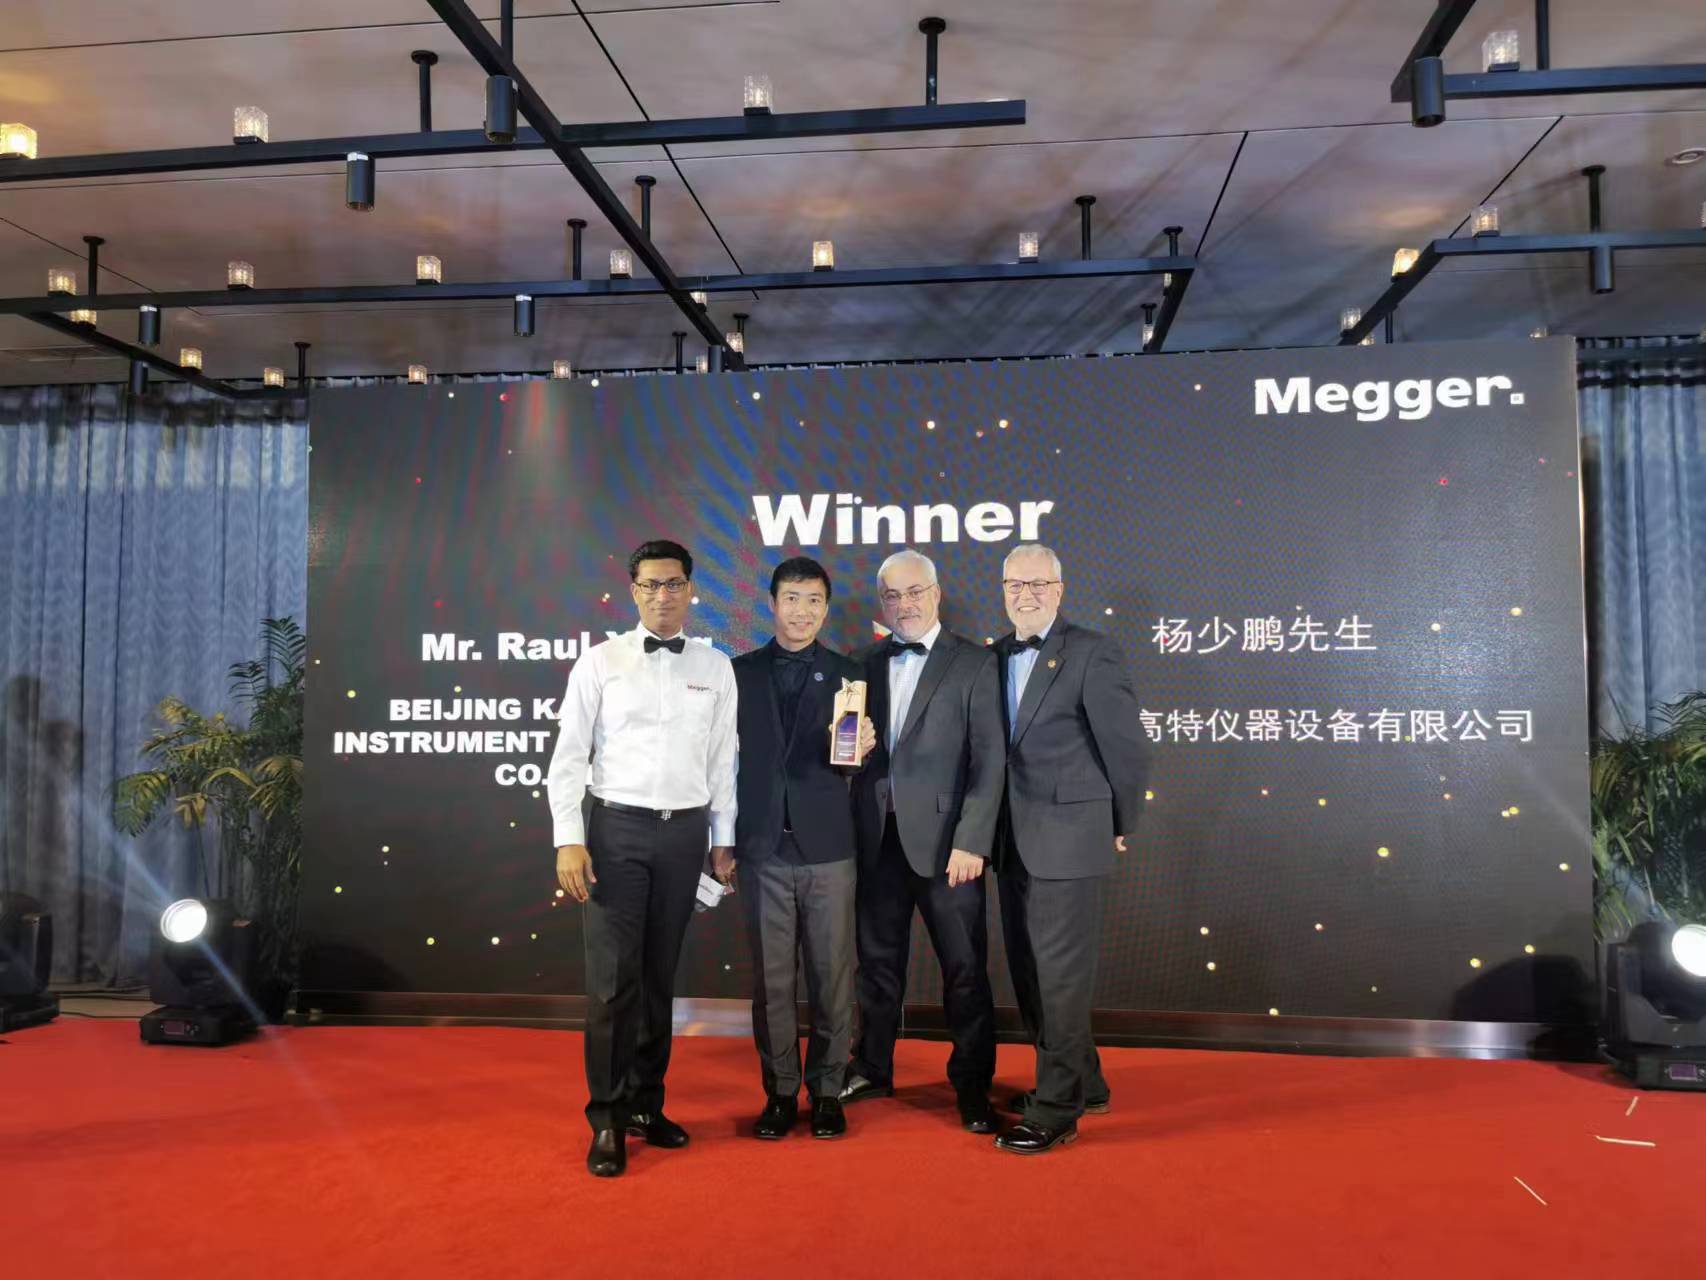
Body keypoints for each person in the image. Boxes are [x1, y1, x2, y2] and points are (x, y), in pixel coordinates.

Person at [546, 538, 737, 1178]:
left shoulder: (715, 667)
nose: (663, 595)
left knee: (659, 979)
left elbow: (723, 761)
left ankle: (646, 1106)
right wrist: (568, 837)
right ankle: (606, 1118)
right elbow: (569, 756)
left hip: (685, 835)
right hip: (616, 833)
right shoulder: (599, 662)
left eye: (674, 583)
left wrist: (722, 839)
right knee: (611, 984)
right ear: (633, 591)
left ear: (691, 591)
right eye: (651, 584)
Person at [988, 543, 1147, 1155]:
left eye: (1038, 584)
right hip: (1012, 839)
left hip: (1071, 838)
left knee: (1059, 978)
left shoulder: (1091, 650)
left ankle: (1056, 1107)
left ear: (1059, 590)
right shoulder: (993, 656)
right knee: (1030, 971)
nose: (1025, 595)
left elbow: (1126, 748)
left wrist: (1119, 820)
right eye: (1014, 584)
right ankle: (1087, 1082)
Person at [840, 548, 1005, 1134]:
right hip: (876, 842)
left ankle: (972, 1084)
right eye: (892, 595)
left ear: (936, 594)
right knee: (876, 966)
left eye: (914, 592)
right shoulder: (861, 662)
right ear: (882, 603)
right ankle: (872, 1066)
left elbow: (990, 760)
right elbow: (849, 751)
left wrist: (973, 840)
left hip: (948, 847)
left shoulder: (975, 662)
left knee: (964, 969)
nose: (904, 604)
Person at [729, 557, 876, 1141]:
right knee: (772, 982)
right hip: (762, 847)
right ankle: (780, 1092)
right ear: (772, 603)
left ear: (826, 607)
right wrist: (722, 840)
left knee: (833, 977)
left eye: (814, 600)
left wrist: (863, 748)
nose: (802, 611)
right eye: (792, 598)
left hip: (828, 847)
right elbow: (719, 763)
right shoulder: (738, 673)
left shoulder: (849, 674)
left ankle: (829, 1091)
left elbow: (858, 761)